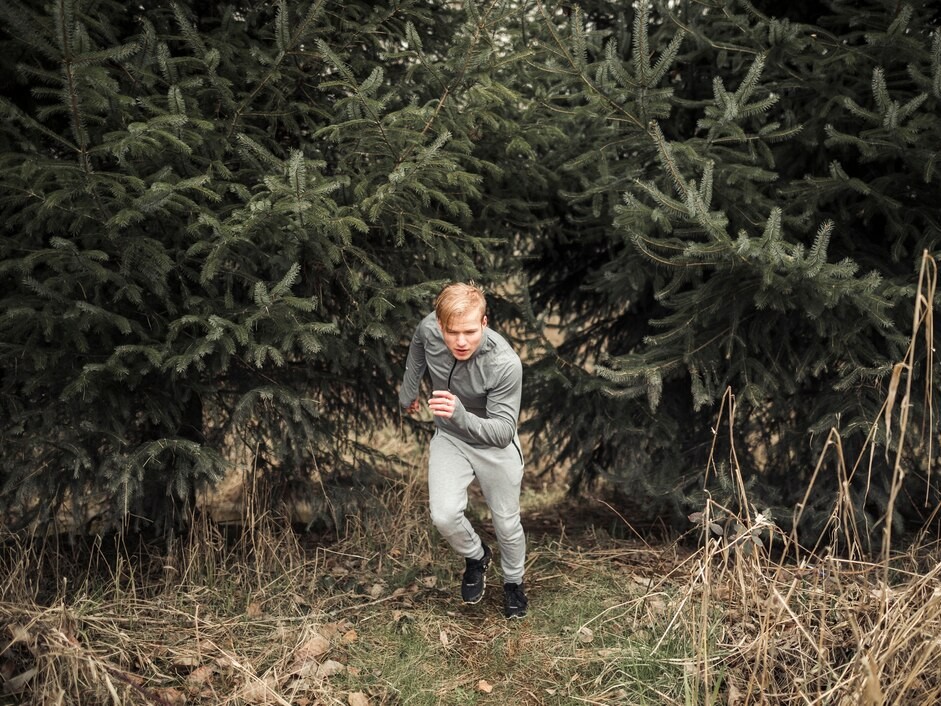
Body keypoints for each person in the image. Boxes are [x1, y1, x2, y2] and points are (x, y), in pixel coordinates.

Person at [399, 282, 528, 619]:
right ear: (440, 325)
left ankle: (513, 584)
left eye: (470, 332)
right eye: (452, 332)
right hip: (450, 436)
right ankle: (476, 555)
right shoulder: (431, 328)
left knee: (506, 522)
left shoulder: (504, 363)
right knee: (443, 514)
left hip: (493, 444)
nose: (460, 341)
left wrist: (460, 413)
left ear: (484, 323)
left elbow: (502, 432)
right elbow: (417, 345)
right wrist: (409, 389)